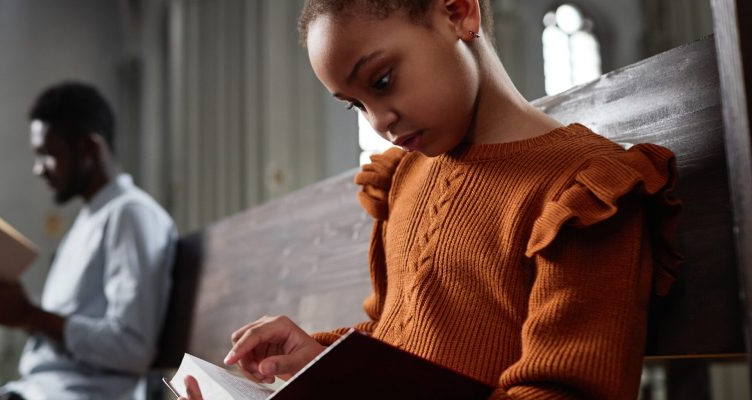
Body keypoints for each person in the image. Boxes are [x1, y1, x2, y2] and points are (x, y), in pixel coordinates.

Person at [181, 0, 681, 399]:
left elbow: (566, 390)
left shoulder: (583, 190)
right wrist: (319, 357)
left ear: (458, 12)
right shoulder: (406, 178)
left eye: (381, 81)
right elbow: (401, 334)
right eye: (357, 103)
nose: (378, 122)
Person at [0, 82, 177, 400]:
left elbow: (132, 348)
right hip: (35, 390)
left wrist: (29, 315)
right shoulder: (88, 222)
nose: (38, 170)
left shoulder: (130, 214)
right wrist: (14, 312)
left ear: (88, 148)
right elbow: (65, 335)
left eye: (47, 155)